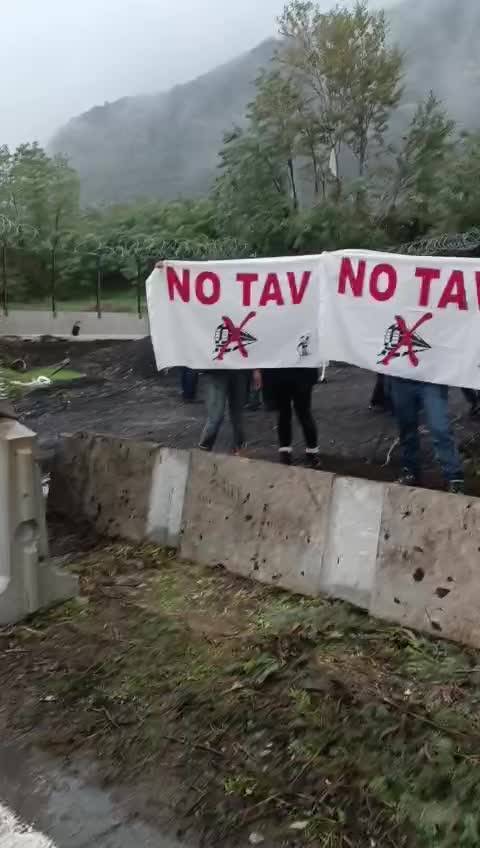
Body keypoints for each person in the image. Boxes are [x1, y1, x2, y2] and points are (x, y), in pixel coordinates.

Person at [389, 376, 464, 493]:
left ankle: (454, 476)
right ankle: (410, 470)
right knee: (406, 428)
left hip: (432, 379)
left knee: (440, 428)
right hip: (401, 379)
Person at [260, 368, 320, 467]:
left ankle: (310, 451)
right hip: (283, 373)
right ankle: (288, 451)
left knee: (301, 413)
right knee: (288, 413)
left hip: (298, 372)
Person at [199, 370, 249, 454]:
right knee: (216, 417)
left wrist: (256, 370)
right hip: (217, 371)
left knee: (237, 416)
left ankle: (240, 446)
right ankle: (204, 447)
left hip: (240, 371)